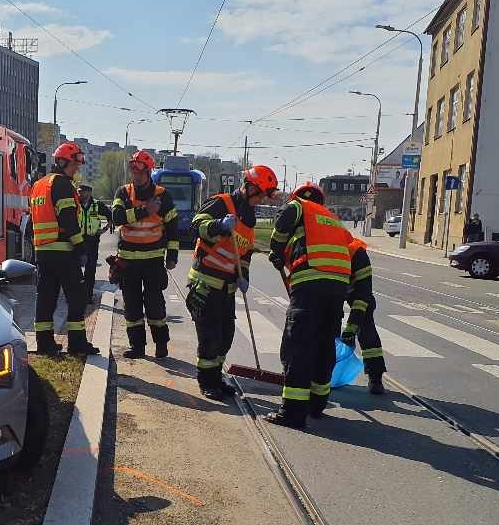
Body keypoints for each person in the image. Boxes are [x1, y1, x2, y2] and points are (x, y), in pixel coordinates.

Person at [187, 165, 279, 401]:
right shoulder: (222, 202)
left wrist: (243, 276)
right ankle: (206, 382)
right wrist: (218, 226)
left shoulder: (250, 216)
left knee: (226, 336)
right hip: (205, 283)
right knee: (209, 338)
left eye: (263, 197)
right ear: (249, 187)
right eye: (259, 194)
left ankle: (216, 378)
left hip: (227, 287)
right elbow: (196, 225)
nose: (260, 200)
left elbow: (245, 254)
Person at [267, 182, 353, 429]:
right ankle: (317, 404)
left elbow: (282, 223)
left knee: (299, 344)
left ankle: (292, 412)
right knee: (325, 344)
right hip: (338, 284)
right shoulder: (332, 219)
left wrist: (276, 249)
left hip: (310, 279)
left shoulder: (299, 206)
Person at [29, 141, 98, 356]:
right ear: (62, 162)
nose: (76, 169)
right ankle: (77, 344)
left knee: (46, 297)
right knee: (77, 297)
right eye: (74, 164)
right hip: (63, 251)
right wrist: (80, 248)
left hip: (43, 251)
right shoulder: (63, 185)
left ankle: (44, 344)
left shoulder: (39, 185)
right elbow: (68, 220)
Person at [112, 150, 179, 359]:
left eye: (139, 171)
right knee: (131, 307)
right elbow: (116, 217)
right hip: (127, 262)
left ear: (148, 171)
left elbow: (173, 227)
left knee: (155, 305)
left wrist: (172, 256)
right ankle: (137, 347)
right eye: (133, 170)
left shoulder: (162, 195)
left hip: (153, 261)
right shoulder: (123, 192)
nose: (136, 175)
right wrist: (144, 211)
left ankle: (161, 345)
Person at [342, 237, 386, 395]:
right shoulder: (317, 249)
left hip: (354, 289)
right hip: (331, 287)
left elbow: (363, 297)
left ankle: (375, 376)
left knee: (366, 325)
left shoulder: (357, 254)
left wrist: (351, 327)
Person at [78, 183, 107, 299]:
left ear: (89, 193)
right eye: (79, 191)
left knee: (90, 269)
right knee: (75, 269)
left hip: (92, 240)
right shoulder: (75, 204)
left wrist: (104, 229)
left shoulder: (97, 205)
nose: (79, 193)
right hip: (77, 240)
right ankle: (77, 294)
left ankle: (88, 295)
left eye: (82, 192)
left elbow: (111, 216)